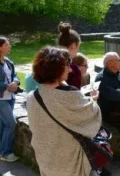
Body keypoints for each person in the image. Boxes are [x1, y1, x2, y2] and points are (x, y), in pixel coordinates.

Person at [27, 46, 106, 176]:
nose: (70, 70)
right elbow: (93, 114)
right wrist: (94, 100)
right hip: (71, 161)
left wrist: (61, 82)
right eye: (67, 65)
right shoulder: (72, 96)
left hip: (46, 159)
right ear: (57, 70)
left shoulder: (32, 97)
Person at [0, 37, 20, 162]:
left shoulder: (8, 61)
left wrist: (16, 82)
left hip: (10, 97)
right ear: (0, 47)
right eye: (7, 45)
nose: (10, 47)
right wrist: (7, 86)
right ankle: (5, 153)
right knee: (11, 124)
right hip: (1, 99)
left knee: (2, 125)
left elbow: (15, 75)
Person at [57, 22, 83, 89]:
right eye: (78, 46)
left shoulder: (48, 63)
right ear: (74, 45)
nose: (78, 50)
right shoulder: (74, 70)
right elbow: (76, 96)